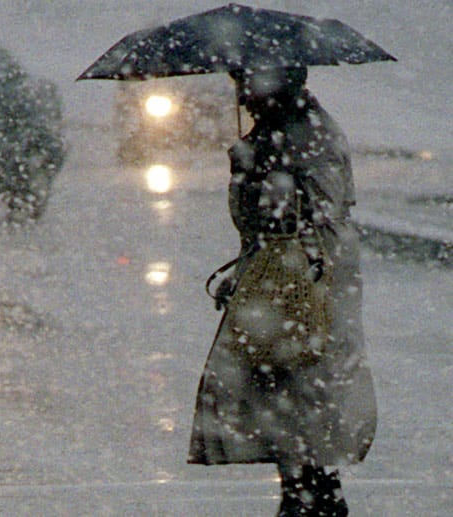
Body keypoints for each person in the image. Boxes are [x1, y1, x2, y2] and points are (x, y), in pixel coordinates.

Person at [187, 67, 377, 516]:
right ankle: (306, 492)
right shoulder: (287, 129)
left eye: (247, 86)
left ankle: (313, 496)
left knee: (299, 388)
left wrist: (255, 173)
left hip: (303, 284)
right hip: (294, 278)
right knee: (284, 390)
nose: (242, 98)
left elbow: (301, 215)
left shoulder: (302, 135)